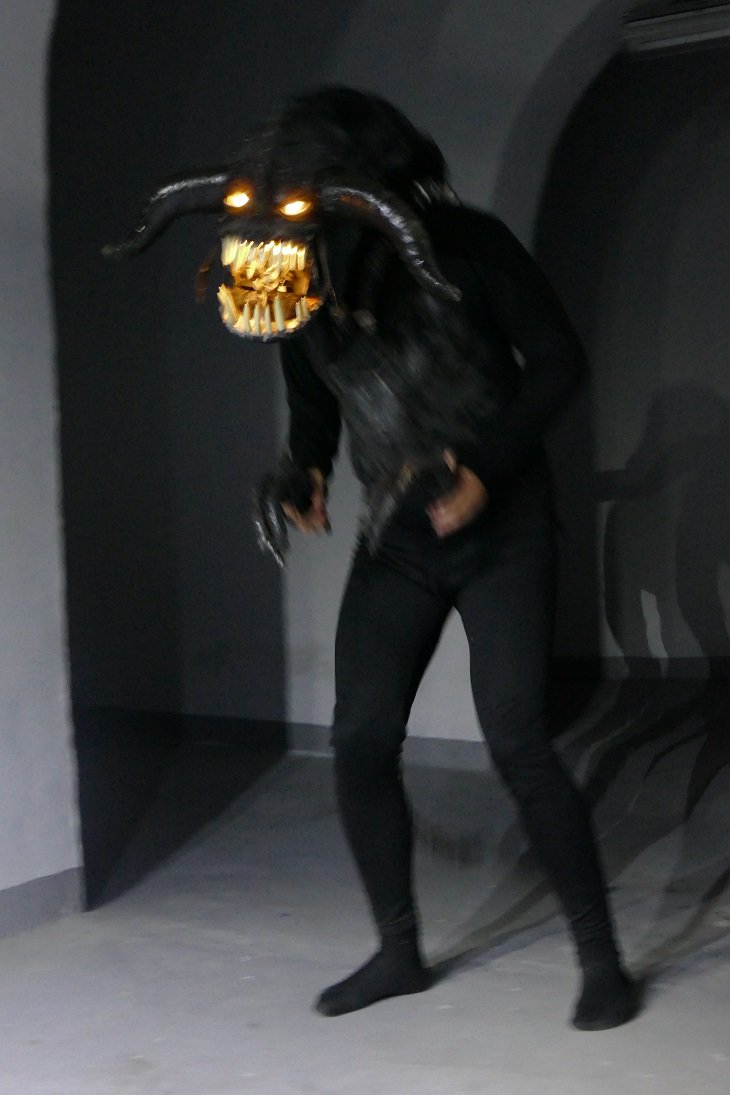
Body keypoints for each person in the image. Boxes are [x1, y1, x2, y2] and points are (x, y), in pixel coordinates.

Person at [104, 85, 638, 1030]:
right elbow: (314, 402)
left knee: (516, 738)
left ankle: (602, 960)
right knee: (358, 740)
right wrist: (302, 468)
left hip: (502, 527)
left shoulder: (469, 248)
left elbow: (558, 362)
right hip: (398, 534)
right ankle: (398, 950)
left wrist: (484, 467)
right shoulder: (294, 274)